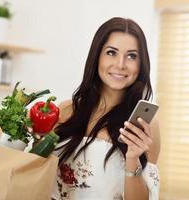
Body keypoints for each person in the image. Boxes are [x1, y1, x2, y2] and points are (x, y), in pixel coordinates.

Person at [51, 17, 160, 200]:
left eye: (132, 56)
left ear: (141, 65)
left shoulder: (146, 125)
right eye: (111, 52)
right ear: (97, 56)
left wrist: (132, 158)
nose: (120, 64)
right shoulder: (66, 110)